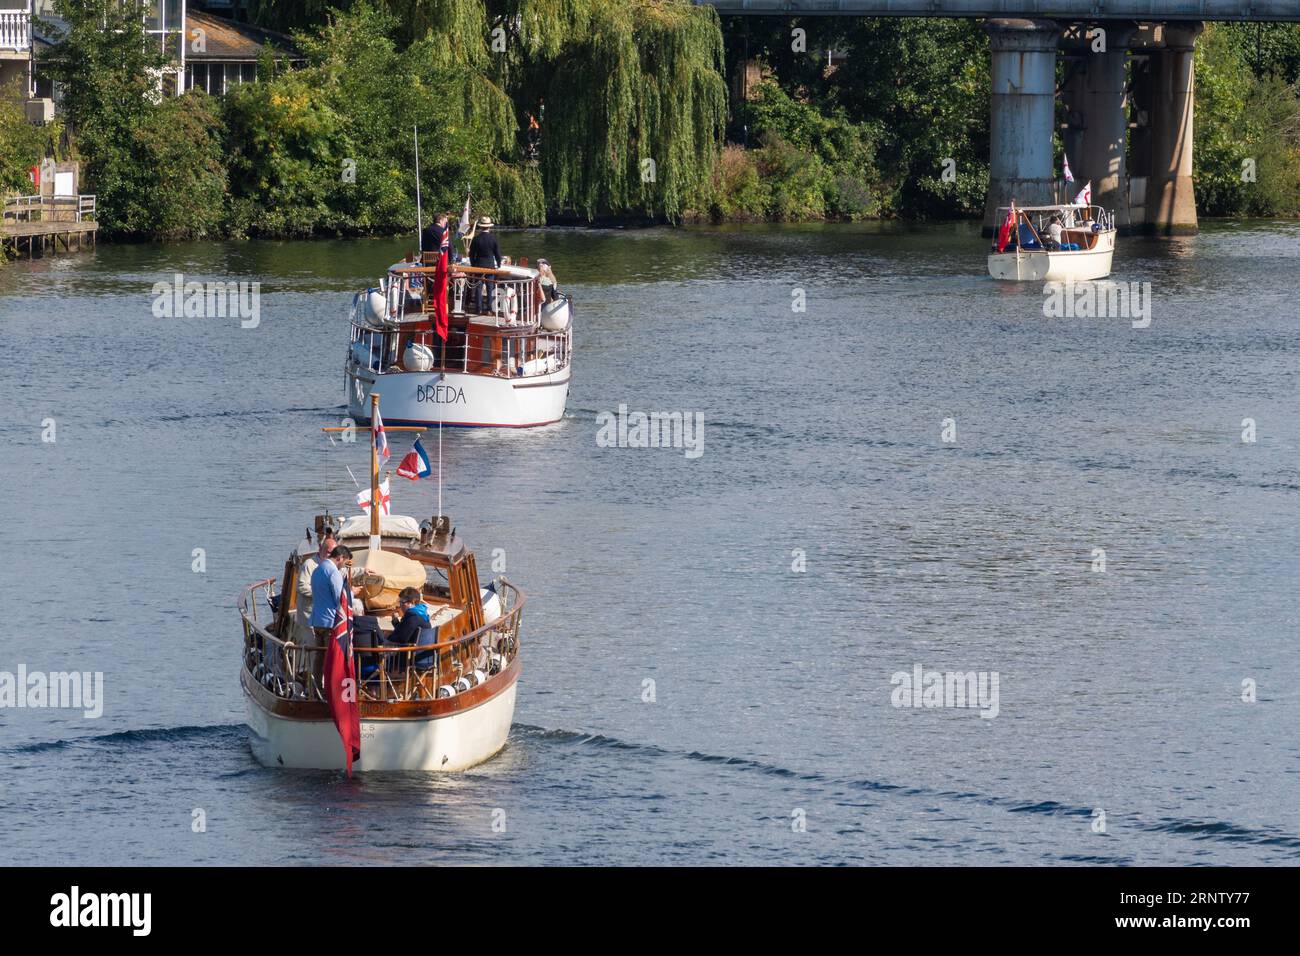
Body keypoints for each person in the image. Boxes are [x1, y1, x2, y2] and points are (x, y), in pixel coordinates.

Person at [469, 216, 502, 315]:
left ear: (481, 227)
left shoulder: (476, 239)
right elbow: (497, 254)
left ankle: (478, 309)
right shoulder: (493, 239)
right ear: (489, 227)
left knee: (478, 288)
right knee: (490, 288)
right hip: (490, 266)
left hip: (478, 265)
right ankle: (489, 309)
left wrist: (473, 264)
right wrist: (499, 263)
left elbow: (471, 254)